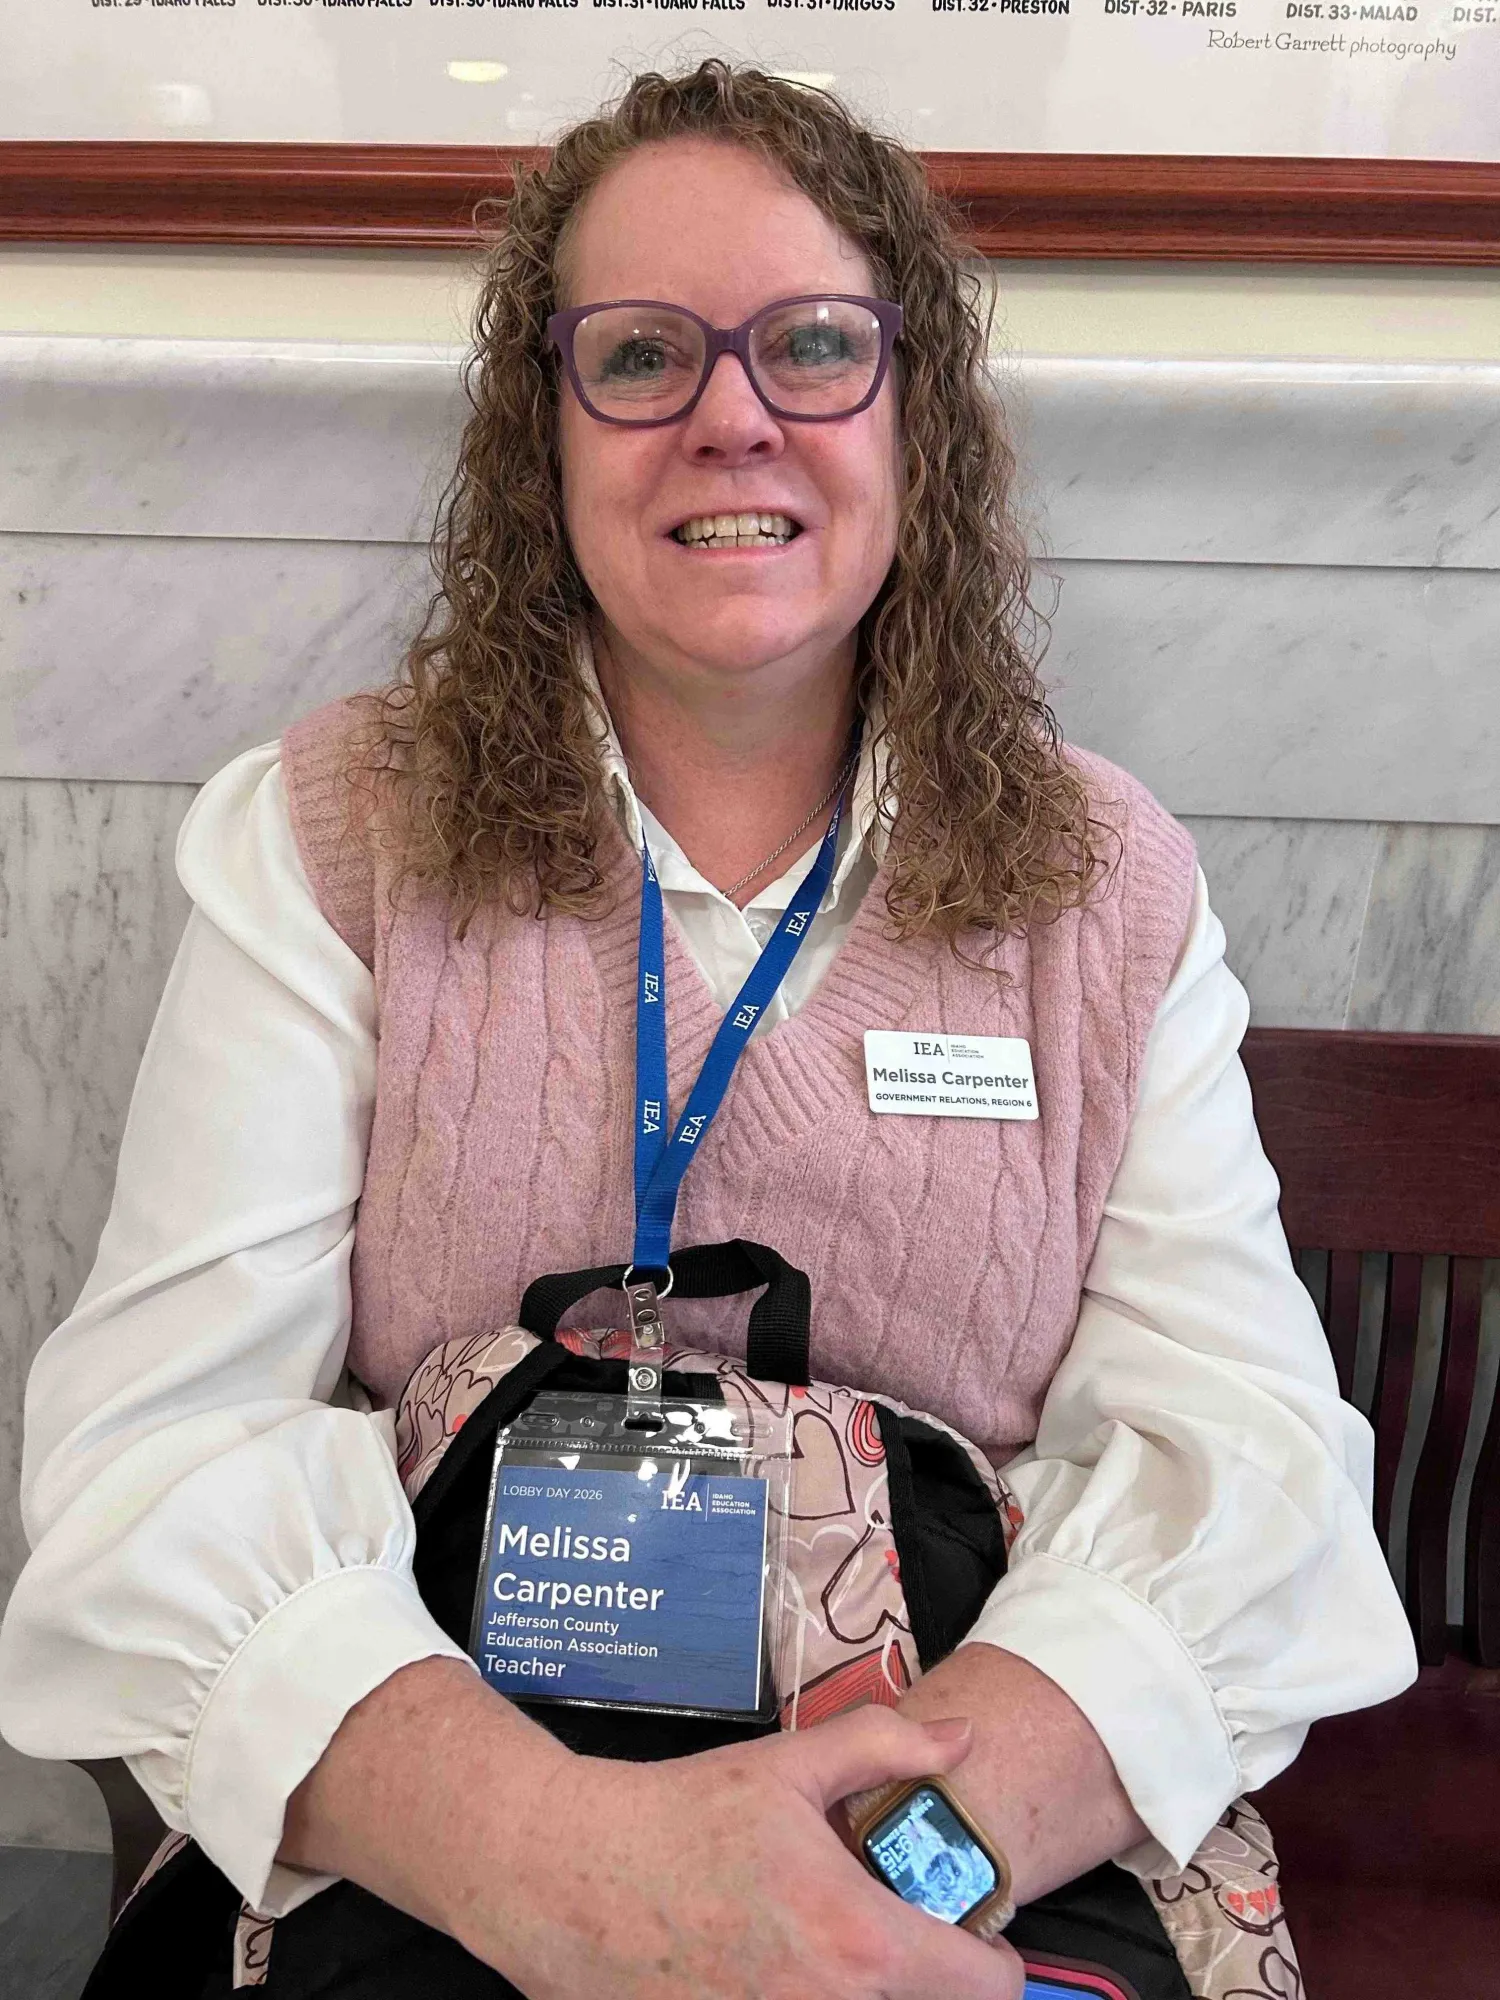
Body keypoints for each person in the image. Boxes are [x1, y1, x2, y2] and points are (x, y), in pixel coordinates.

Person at [0, 59, 1415, 2000]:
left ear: (915, 424)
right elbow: (151, 1460)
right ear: (544, 435)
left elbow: (1248, 1466)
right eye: (644, 354)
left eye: (817, 345)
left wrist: (882, 1869)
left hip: (963, 1784)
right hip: (462, 1782)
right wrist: (580, 1868)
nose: (733, 415)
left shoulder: (1106, 888)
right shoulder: (331, 836)